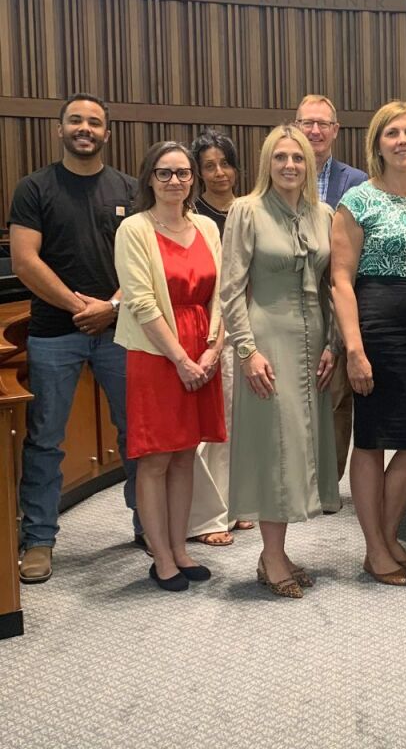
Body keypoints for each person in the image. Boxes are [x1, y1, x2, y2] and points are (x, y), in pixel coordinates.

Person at [9, 93, 141, 584]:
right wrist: (80, 307)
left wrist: (111, 307)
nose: (85, 128)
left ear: (107, 133)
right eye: (75, 120)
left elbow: (145, 263)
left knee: (137, 437)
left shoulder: (129, 187)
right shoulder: (34, 187)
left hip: (120, 330)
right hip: (52, 335)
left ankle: (147, 526)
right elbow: (25, 261)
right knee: (44, 440)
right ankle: (39, 540)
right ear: (59, 128)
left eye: (94, 122)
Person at [220, 125, 339, 599]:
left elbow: (332, 286)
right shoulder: (246, 211)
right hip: (267, 339)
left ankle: (279, 551)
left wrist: (334, 344)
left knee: (300, 448)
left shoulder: (323, 212)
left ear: (309, 165)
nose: (290, 165)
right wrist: (246, 352)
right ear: (268, 162)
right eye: (280, 157)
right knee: (274, 445)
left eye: (298, 158)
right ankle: (271, 557)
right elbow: (230, 290)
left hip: (315, 345)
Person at [331, 101, 406, 586]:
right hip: (375, 323)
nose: (403, 141)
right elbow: (339, 278)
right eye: (392, 133)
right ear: (377, 143)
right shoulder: (356, 200)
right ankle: (376, 549)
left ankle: (390, 537)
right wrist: (354, 349)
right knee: (373, 439)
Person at [114, 141, 226, 592]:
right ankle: (161, 557)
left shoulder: (206, 226)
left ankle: (181, 548)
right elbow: (140, 301)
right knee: (155, 459)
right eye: (165, 173)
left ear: (192, 180)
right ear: (149, 179)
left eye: (183, 173)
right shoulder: (135, 229)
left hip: (202, 350)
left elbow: (222, 292)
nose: (175, 181)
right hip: (157, 353)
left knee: (185, 455)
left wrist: (212, 349)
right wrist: (181, 358)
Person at [294, 95, 366, 500]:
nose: (315, 131)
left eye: (323, 124)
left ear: (336, 130)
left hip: (336, 293)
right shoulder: (281, 173)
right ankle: (294, 481)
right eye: (308, 123)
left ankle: (328, 484)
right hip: (289, 294)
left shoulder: (355, 182)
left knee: (336, 393)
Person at [185, 128, 253, 546]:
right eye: (209, 165)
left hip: (251, 327)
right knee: (211, 427)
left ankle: (237, 504)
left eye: (225, 163)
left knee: (242, 424)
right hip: (211, 330)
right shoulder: (193, 218)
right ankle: (208, 516)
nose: (219, 172)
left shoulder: (249, 210)